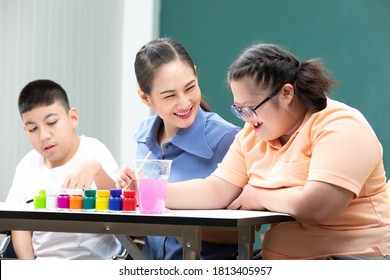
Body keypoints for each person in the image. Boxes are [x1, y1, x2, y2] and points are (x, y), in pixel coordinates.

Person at [122, 42, 390, 259]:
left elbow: (316, 206)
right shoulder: (253, 134)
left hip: (353, 259)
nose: (245, 118)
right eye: (238, 109)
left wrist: (258, 194)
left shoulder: (338, 125)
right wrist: (149, 188)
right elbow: (215, 189)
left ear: (286, 93)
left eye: (250, 108)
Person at [117, 38, 241, 260]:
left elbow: (241, 233)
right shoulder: (144, 137)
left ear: (195, 74)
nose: (184, 102)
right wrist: (130, 197)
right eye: (169, 95)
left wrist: (160, 203)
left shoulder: (228, 139)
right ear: (145, 97)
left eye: (190, 87)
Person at [6, 79, 122, 259]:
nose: (44, 135)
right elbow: (19, 227)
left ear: (73, 118)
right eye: (33, 129)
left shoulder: (93, 152)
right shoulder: (26, 166)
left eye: (51, 122)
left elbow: (120, 208)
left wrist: (97, 170)